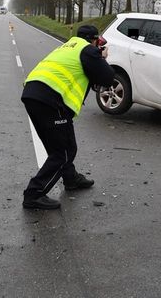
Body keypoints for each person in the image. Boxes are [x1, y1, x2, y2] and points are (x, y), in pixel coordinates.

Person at [21, 25, 115, 210]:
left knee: (60, 145)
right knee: (64, 152)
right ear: (94, 40)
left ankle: (70, 179)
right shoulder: (88, 50)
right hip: (51, 100)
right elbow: (107, 78)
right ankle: (34, 193)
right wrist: (102, 57)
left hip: (33, 95)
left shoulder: (68, 45)